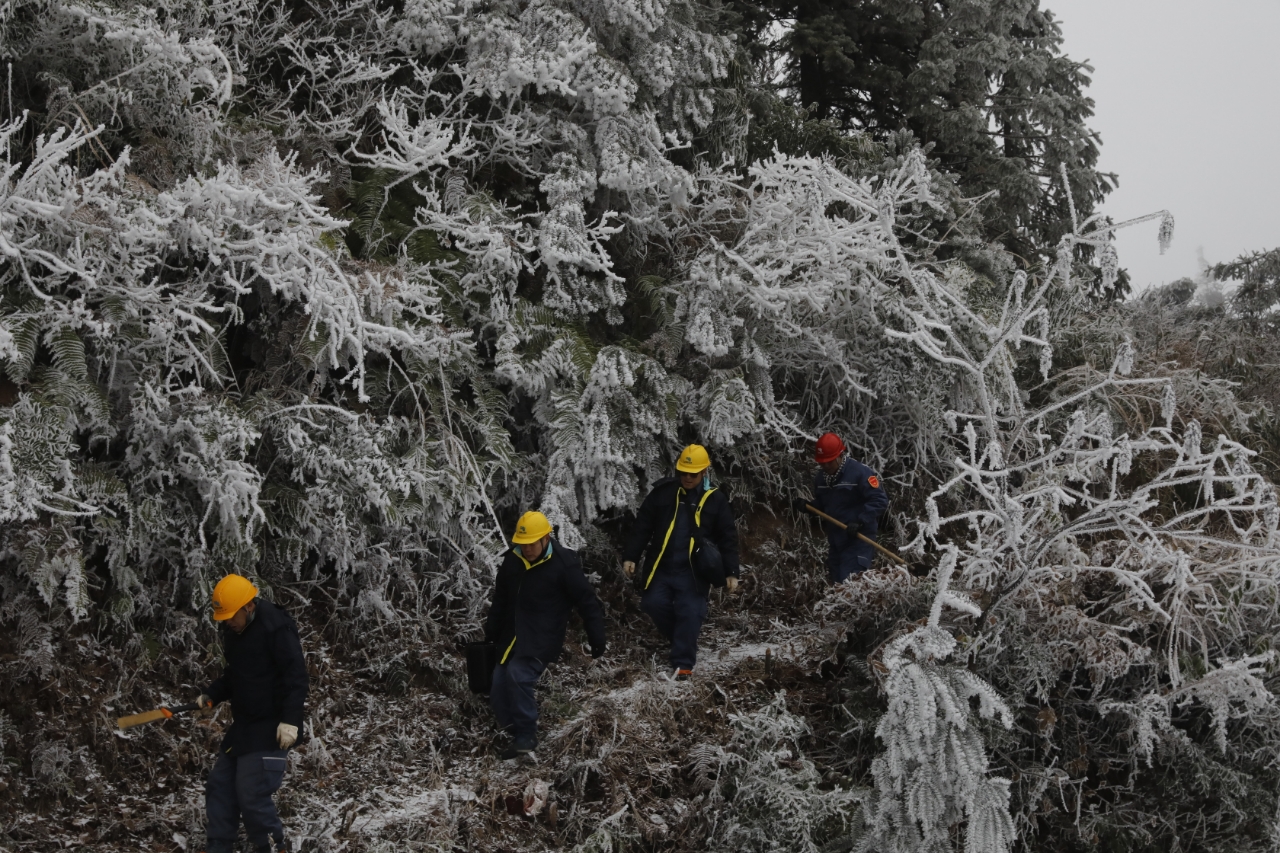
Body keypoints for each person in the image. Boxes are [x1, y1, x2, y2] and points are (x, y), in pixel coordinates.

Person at [197, 574, 308, 853]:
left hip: (272, 725)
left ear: (248, 606)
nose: (227, 622)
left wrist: (290, 721)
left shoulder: (276, 628)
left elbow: (296, 676)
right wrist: (212, 695)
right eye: (223, 618)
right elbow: (237, 674)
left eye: (231, 616)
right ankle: (219, 846)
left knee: (252, 793)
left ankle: (272, 847)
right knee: (220, 786)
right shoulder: (235, 631)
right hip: (245, 725)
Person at [484, 510, 607, 759]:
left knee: (518, 675)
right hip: (512, 636)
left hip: (542, 636)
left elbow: (587, 601)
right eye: (522, 544)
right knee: (497, 685)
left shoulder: (564, 564)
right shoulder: (513, 561)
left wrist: (597, 637)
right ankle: (514, 733)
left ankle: (526, 735)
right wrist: (491, 633)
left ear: (546, 538)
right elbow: (501, 599)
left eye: (532, 543)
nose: (527, 549)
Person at [622, 444, 739, 681]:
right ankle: (682, 638)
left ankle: (683, 664)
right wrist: (631, 556)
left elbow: (728, 537)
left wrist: (731, 571)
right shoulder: (663, 493)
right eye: (683, 472)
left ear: (704, 472)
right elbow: (642, 525)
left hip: (693, 571)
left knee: (690, 611)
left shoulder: (715, 500)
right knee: (652, 603)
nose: (687, 478)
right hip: (662, 566)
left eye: (693, 474)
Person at [797, 432, 889, 583]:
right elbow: (824, 504)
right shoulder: (821, 479)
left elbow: (879, 500)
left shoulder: (860, 473)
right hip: (836, 541)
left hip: (858, 540)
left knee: (849, 583)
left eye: (829, 461)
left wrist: (860, 521)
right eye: (822, 462)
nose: (826, 466)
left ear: (840, 455)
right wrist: (809, 507)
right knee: (836, 585)